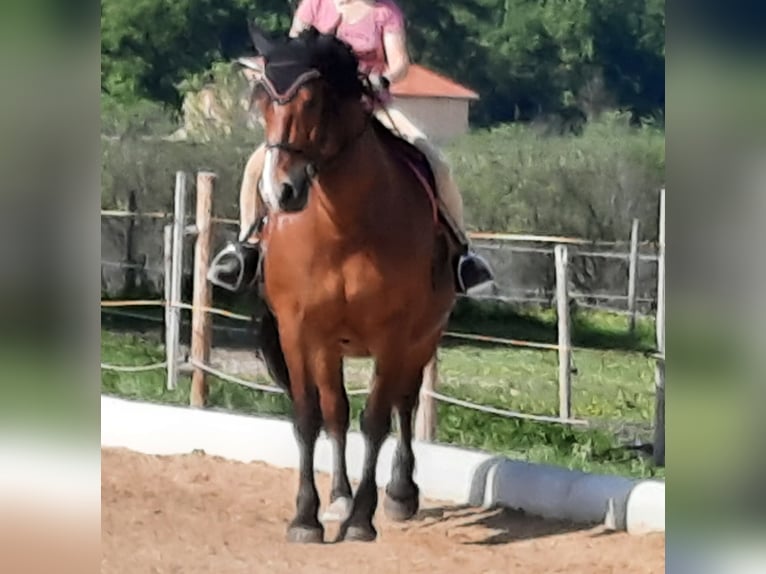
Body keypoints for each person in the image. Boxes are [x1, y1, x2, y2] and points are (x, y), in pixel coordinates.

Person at [207, 0, 495, 295]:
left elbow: (400, 64)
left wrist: (382, 78)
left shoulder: (385, 11)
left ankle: (463, 255)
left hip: (372, 104)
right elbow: (294, 52)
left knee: (437, 164)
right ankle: (247, 247)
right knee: (257, 165)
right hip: (318, 111)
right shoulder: (315, 5)